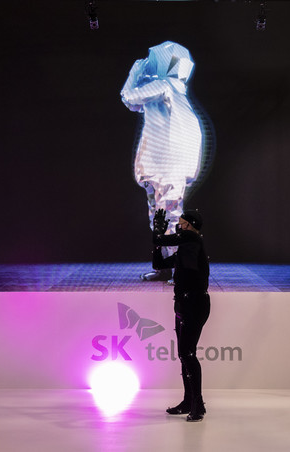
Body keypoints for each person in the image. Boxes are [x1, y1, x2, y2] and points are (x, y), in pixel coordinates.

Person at [120, 41, 205, 282]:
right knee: (160, 218)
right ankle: (165, 267)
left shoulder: (164, 85)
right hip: (161, 165)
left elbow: (128, 97)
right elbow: (136, 104)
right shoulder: (173, 91)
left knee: (170, 217)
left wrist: (134, 72)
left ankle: (180, 269)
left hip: (168, 165)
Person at [151, 208, 210, 422]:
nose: (179, 226)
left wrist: (158, 232)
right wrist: (157, 243)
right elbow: (158, 264)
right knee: (184, 354)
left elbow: (159, 239)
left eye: (182, 223)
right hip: (183, 304)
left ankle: (198, 404)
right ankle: (188, 401)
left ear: (190, 225)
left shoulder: (192, 238)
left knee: (188, 354)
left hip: (194, 303)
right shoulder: (185, 249)